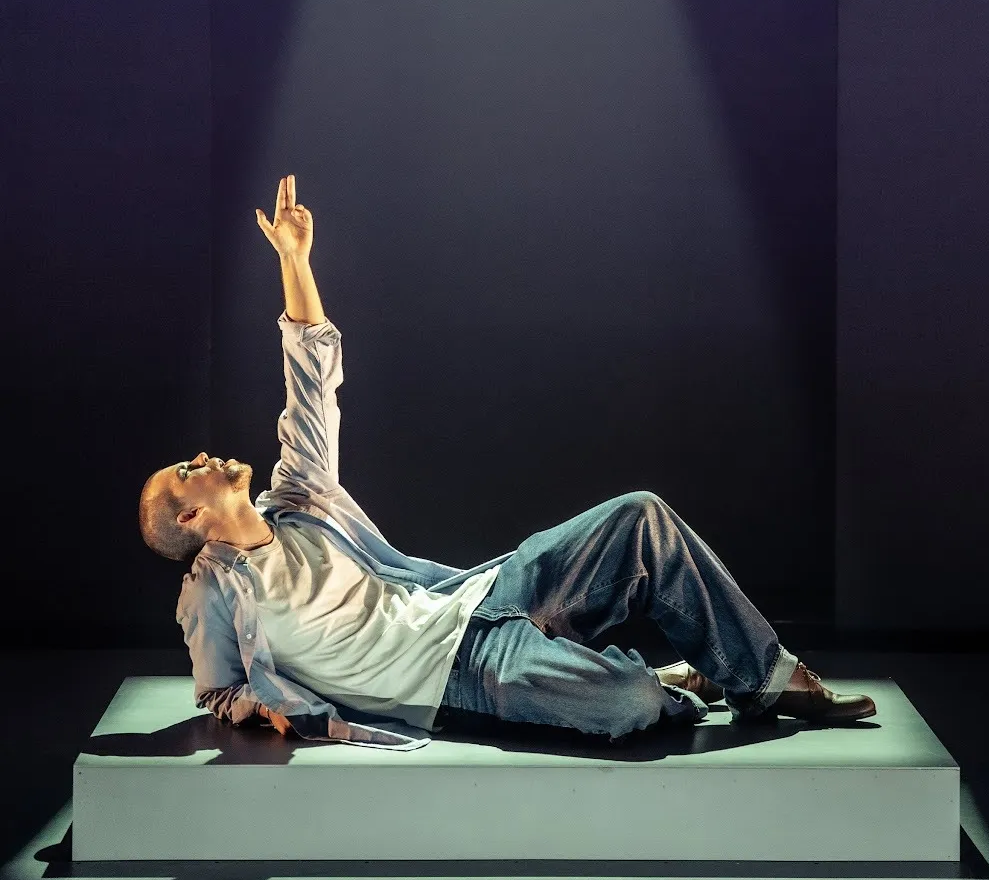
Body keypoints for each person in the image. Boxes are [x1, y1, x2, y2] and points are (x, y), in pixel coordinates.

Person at [138, 175, 875, 749]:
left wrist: (295, 263)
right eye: (184, 471)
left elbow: (311, 381)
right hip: (454, 676)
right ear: (192, 516)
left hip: (475, 599)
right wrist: (258, 709)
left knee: (639, 516)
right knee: (631, 706)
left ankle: (767, 680)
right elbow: (216, 691)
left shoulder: (296, 499)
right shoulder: (212, 594)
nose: (199, 457)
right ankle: (666, 681)